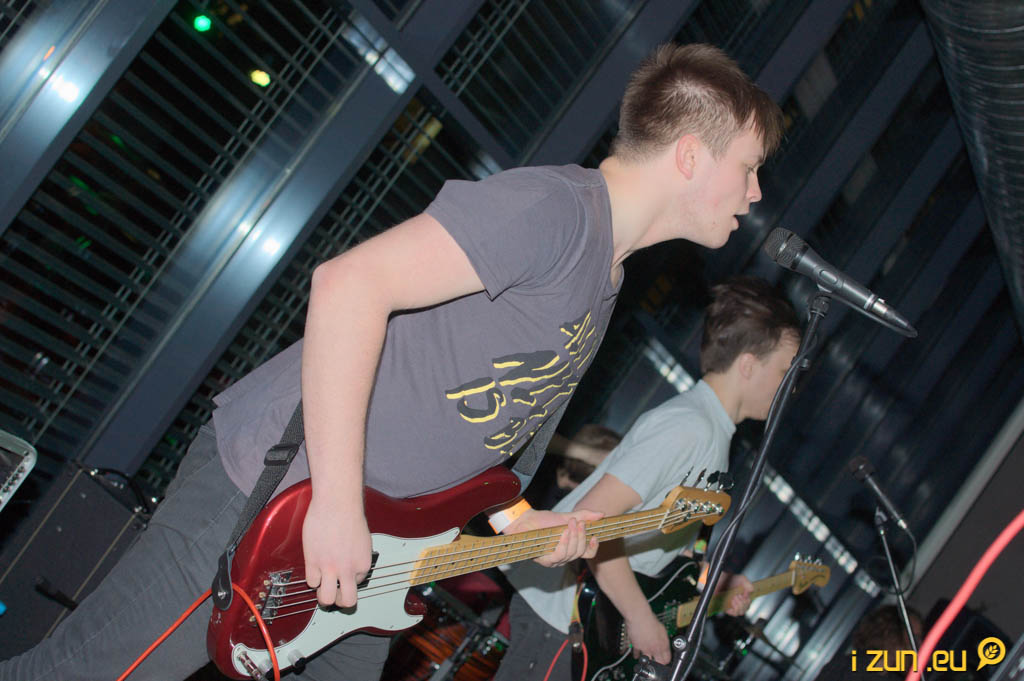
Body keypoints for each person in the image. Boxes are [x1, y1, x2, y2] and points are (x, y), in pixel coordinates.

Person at [0, 41, 782, 681]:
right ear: (689, 155)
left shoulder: (604, 277)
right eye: (747, 166)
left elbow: (484, 427)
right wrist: (339, 504)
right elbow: (348, 285)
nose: (753, 193)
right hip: (285, 496)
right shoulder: (555, 211)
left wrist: (521, 520)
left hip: (381, 548)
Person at [491, 276, 802, 680]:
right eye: (784, 371)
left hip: (579, 622)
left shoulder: (710, 435)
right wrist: (640, 618)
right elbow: (593, 522)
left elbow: (659, 550)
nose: (790, 388)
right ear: (747, 364)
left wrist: (717, 582)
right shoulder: (691, 428)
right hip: (564, 618)